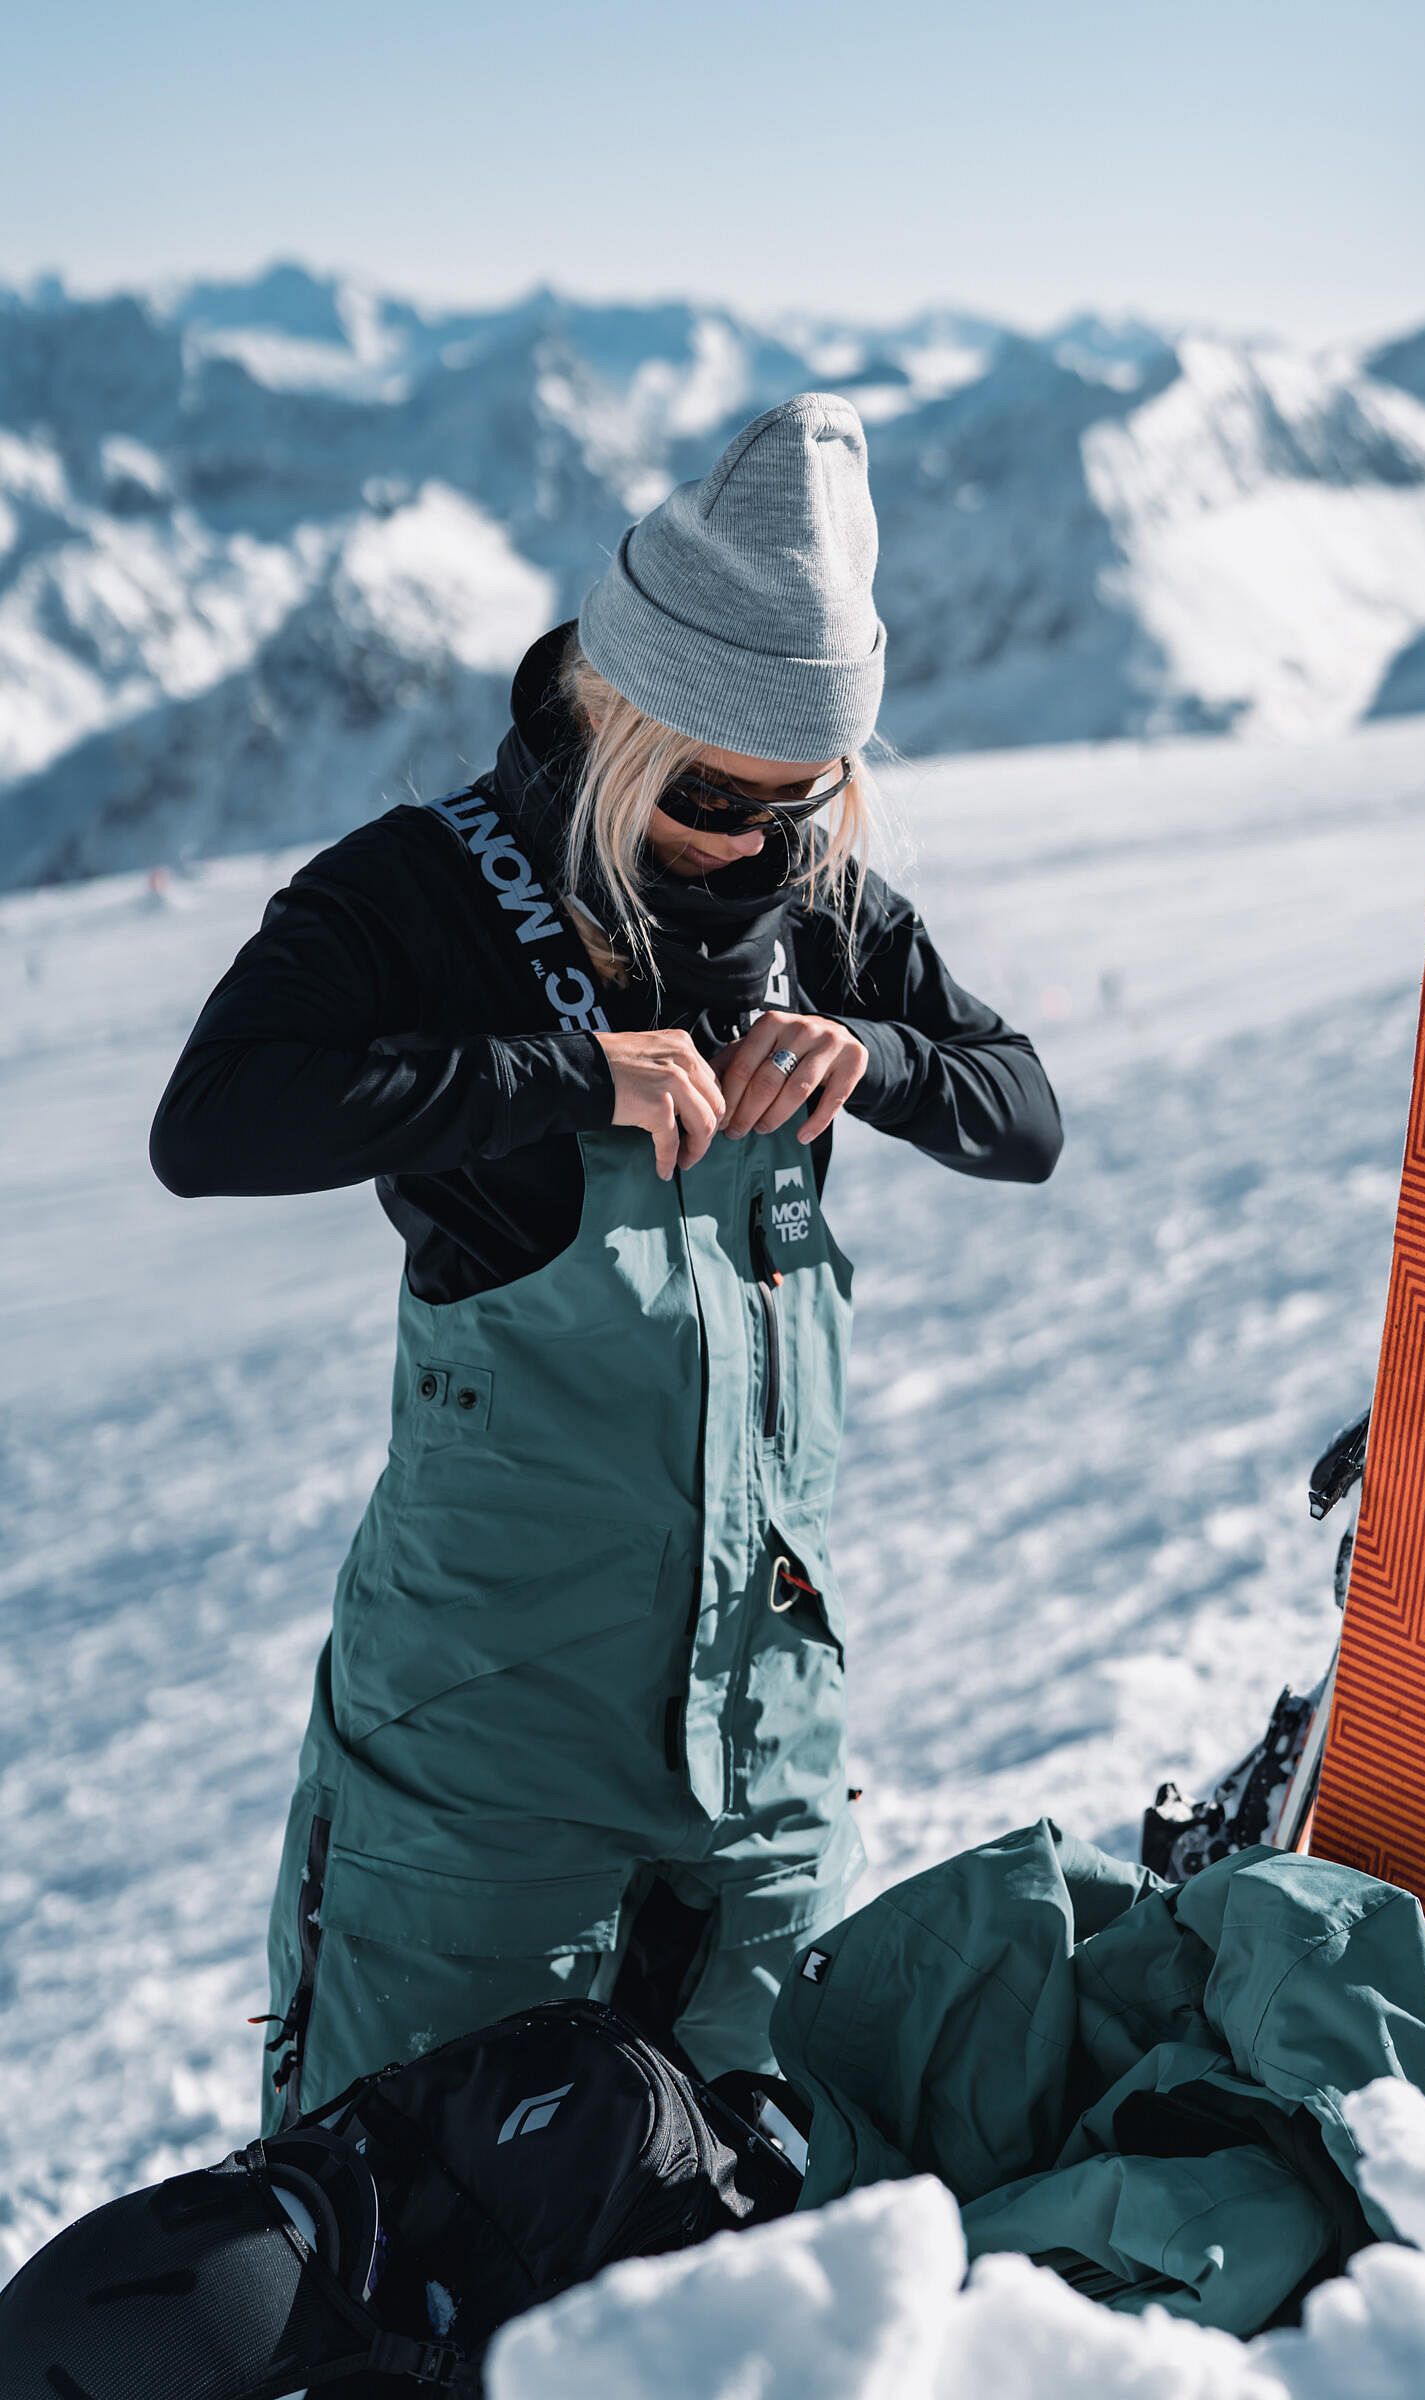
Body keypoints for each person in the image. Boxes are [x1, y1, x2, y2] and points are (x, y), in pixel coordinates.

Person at [148, 393, 1062, 2124]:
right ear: (623, 723)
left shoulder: (820, 913)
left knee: (760, 2233)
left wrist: (886, 1060)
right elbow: (213, 1124)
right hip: (483, 1756)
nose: (757, 845)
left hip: (765, 1743)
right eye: (719, 796)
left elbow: (1025, 1114)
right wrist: (558, 1075)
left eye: (803, 807)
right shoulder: (415, 898)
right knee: (409, 2214)